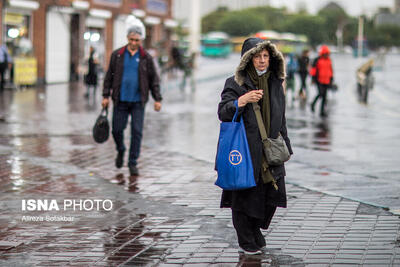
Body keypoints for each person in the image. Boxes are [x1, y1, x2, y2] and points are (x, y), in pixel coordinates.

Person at [217, 38, 293, 255]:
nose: (262, 61)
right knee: (244, 196)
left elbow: (281, 116)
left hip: (270, 149)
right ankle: (246, 237)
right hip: (245, 150)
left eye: (266, 56)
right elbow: (223, 112)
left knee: (272, 195)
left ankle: (255, 228)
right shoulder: (234, 83)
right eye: (257, 56)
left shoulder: (275, 83)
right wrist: (241, 101)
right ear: (248, 59)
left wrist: (285, 144)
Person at [101, 24, 162, 176]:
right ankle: (121, 149)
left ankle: (132, 162)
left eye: (137, 40)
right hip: (120, 100)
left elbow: (154, 79)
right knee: (116, 130)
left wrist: (157, 99)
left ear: (141, 40)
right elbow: (109, 76)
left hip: (138, 101)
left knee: (137, 132)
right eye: (131, 39)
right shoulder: (118, 55)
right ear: (127, 38)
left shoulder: (146, 57)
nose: (134, 42)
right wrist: (105, 95)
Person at [310, 45, 334, 117]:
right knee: (320, 93)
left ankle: (322, 111)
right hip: (319, 80)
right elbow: (313, 70)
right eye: (326, 53)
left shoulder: (329, 60)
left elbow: (331, 70)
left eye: (328, 53)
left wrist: (331, 79)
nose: (327, 55)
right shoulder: (317, 60)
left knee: (324, 96)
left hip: (327, 80)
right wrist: (313, 79)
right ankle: (313, 103)